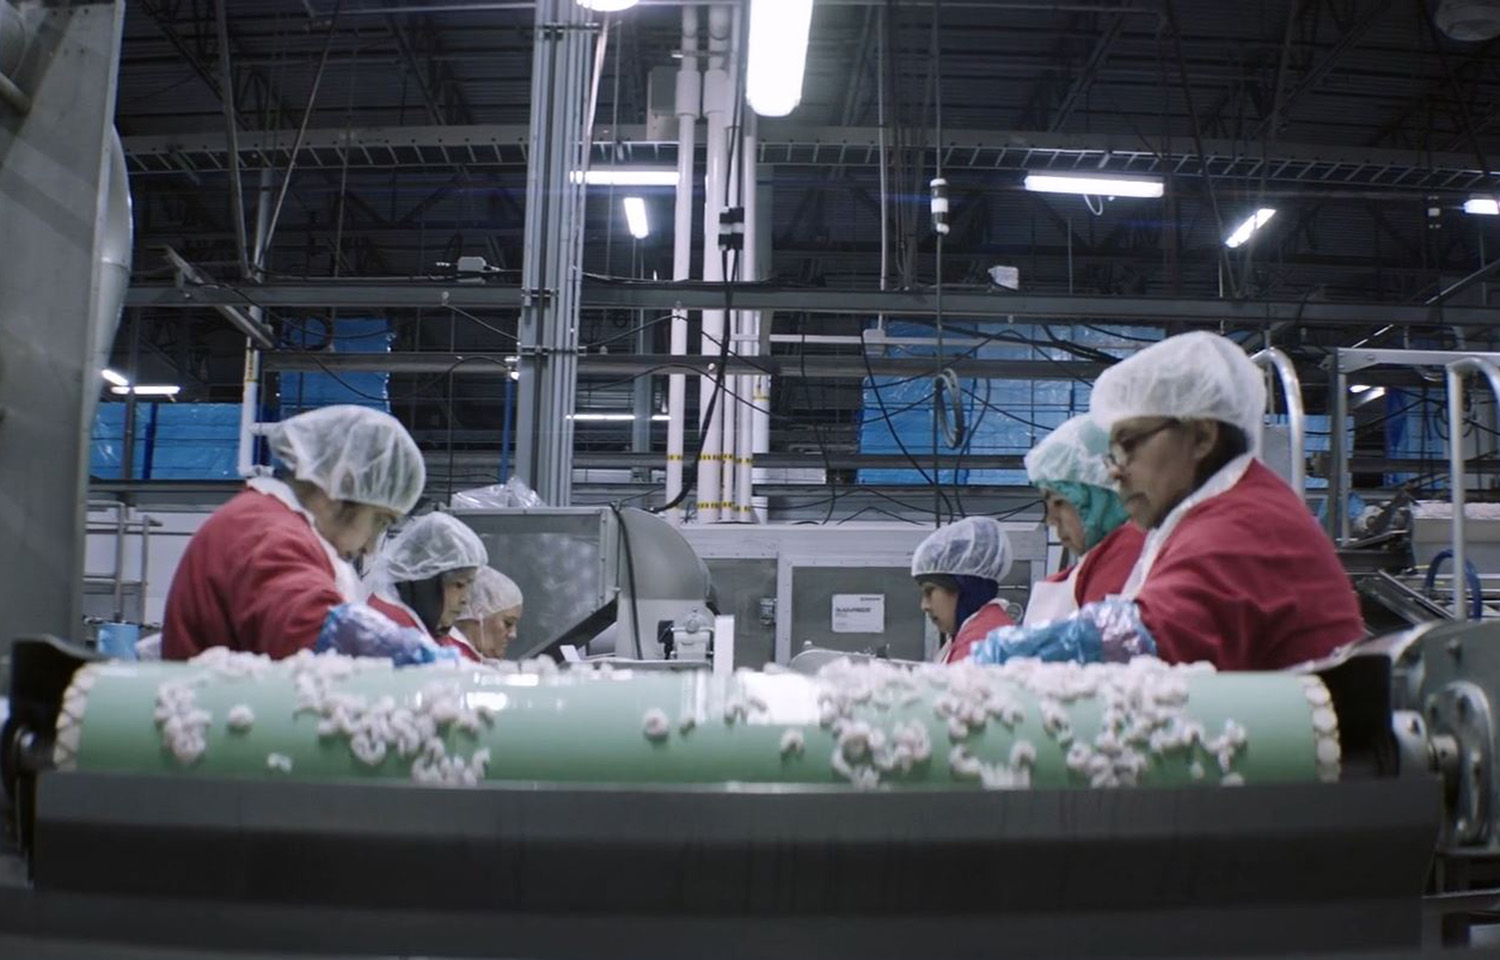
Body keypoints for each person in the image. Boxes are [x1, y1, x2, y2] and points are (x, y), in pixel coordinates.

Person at [972, 331, 1364, 671]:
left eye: (1128, 445)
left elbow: (1146, 638)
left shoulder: (1243, 521)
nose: (1113, 472)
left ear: (1201, 437)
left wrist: (1009, 656)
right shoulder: (1207, 517)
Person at [163, 405, 448, 664]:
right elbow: (313, 628)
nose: (370, 547)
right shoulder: (265, 531)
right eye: (379, 522)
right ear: (342, 485)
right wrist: (419, 661)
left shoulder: (263, 519)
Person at [1022, 415, 1145, 625]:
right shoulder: (1102, 559)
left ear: (1102, 497)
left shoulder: (1127, 553)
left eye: (1059, 503)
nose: (1051, 520)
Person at [365, 512, 488, 662]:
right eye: (459, 585)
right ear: (425, 582)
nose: (465, 600)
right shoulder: (391, 629)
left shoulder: (424, 623)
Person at [910, 516, 1015, 664]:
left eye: (930, 591)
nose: (925, 605)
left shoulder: (979, 645)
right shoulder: (979, 633)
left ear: (964, 587)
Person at [451, 566, 524, 661]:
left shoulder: (473, 663)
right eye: (508, 623)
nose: (513, 635)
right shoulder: (447, 661)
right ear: (479, 611)